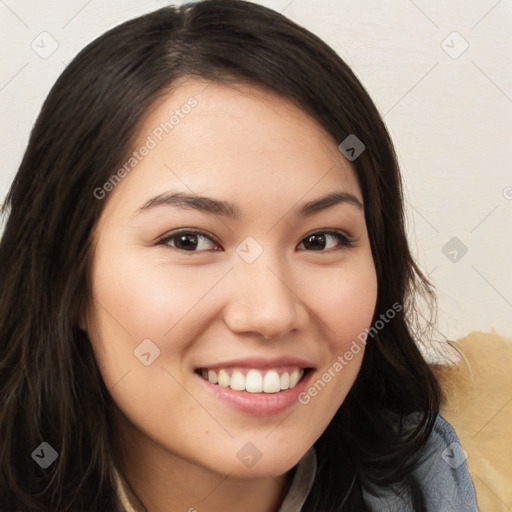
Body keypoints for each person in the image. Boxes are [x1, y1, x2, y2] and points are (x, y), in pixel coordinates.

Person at [0, 1, 478, 510]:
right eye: (189, 240)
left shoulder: (438, 479)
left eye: (320, 240)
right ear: (67, 275)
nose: (270, 313)